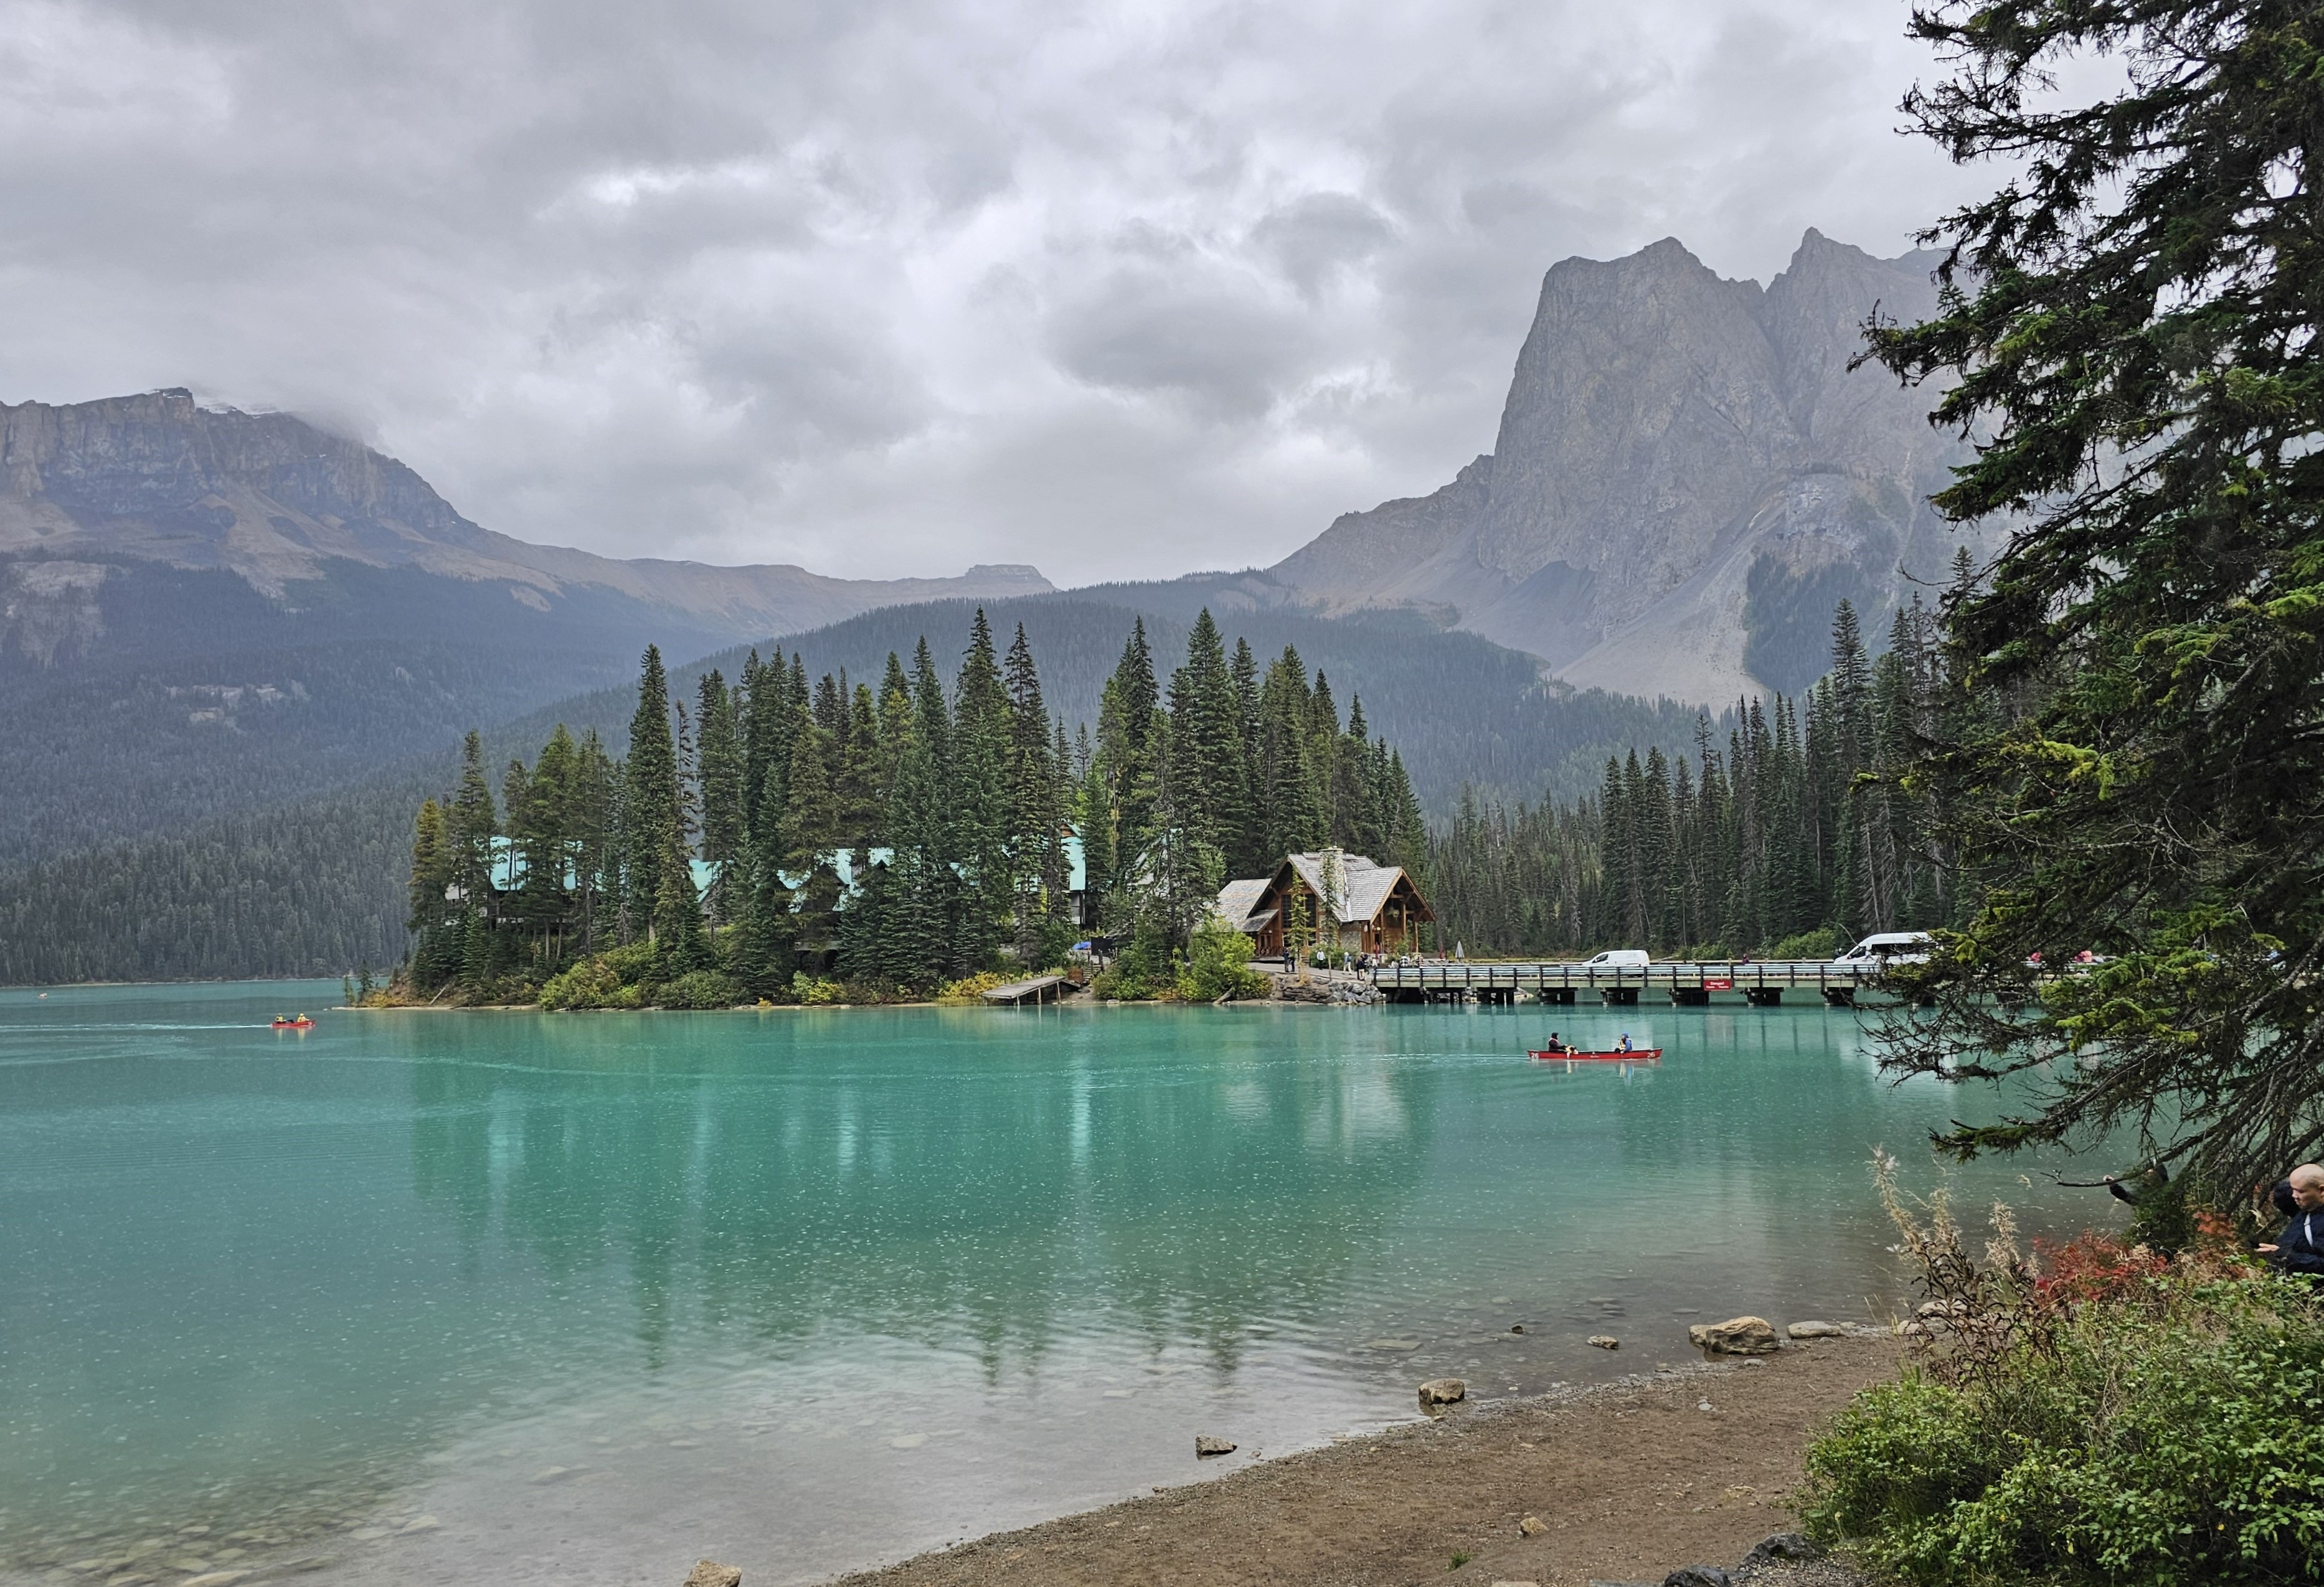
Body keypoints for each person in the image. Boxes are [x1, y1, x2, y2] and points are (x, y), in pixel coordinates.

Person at [2258, 1164, 2324, 1277]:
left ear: (2321, 1190)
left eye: (2300, 1192)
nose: (2294, 1196)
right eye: (2293, 1189)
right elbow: (2280, 1196)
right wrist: (2297, 1181)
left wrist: (2288, 1256)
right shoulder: (2304, 1204)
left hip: (2306, 1286)